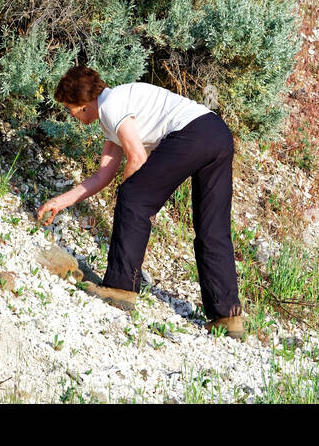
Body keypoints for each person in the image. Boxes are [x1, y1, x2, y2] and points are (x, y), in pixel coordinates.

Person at [36, 65, 246, 340]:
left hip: (192, 133)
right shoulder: (114, 109)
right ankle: (228, 316)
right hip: (217, 133)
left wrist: (130, 197)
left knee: (133, 197)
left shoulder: (111, 105)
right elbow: (104, 174)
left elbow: (137, 158)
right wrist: (60, 202)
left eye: (69, 108)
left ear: (81, 103)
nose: (70, 115)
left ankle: (121, 288)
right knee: (212, 228)